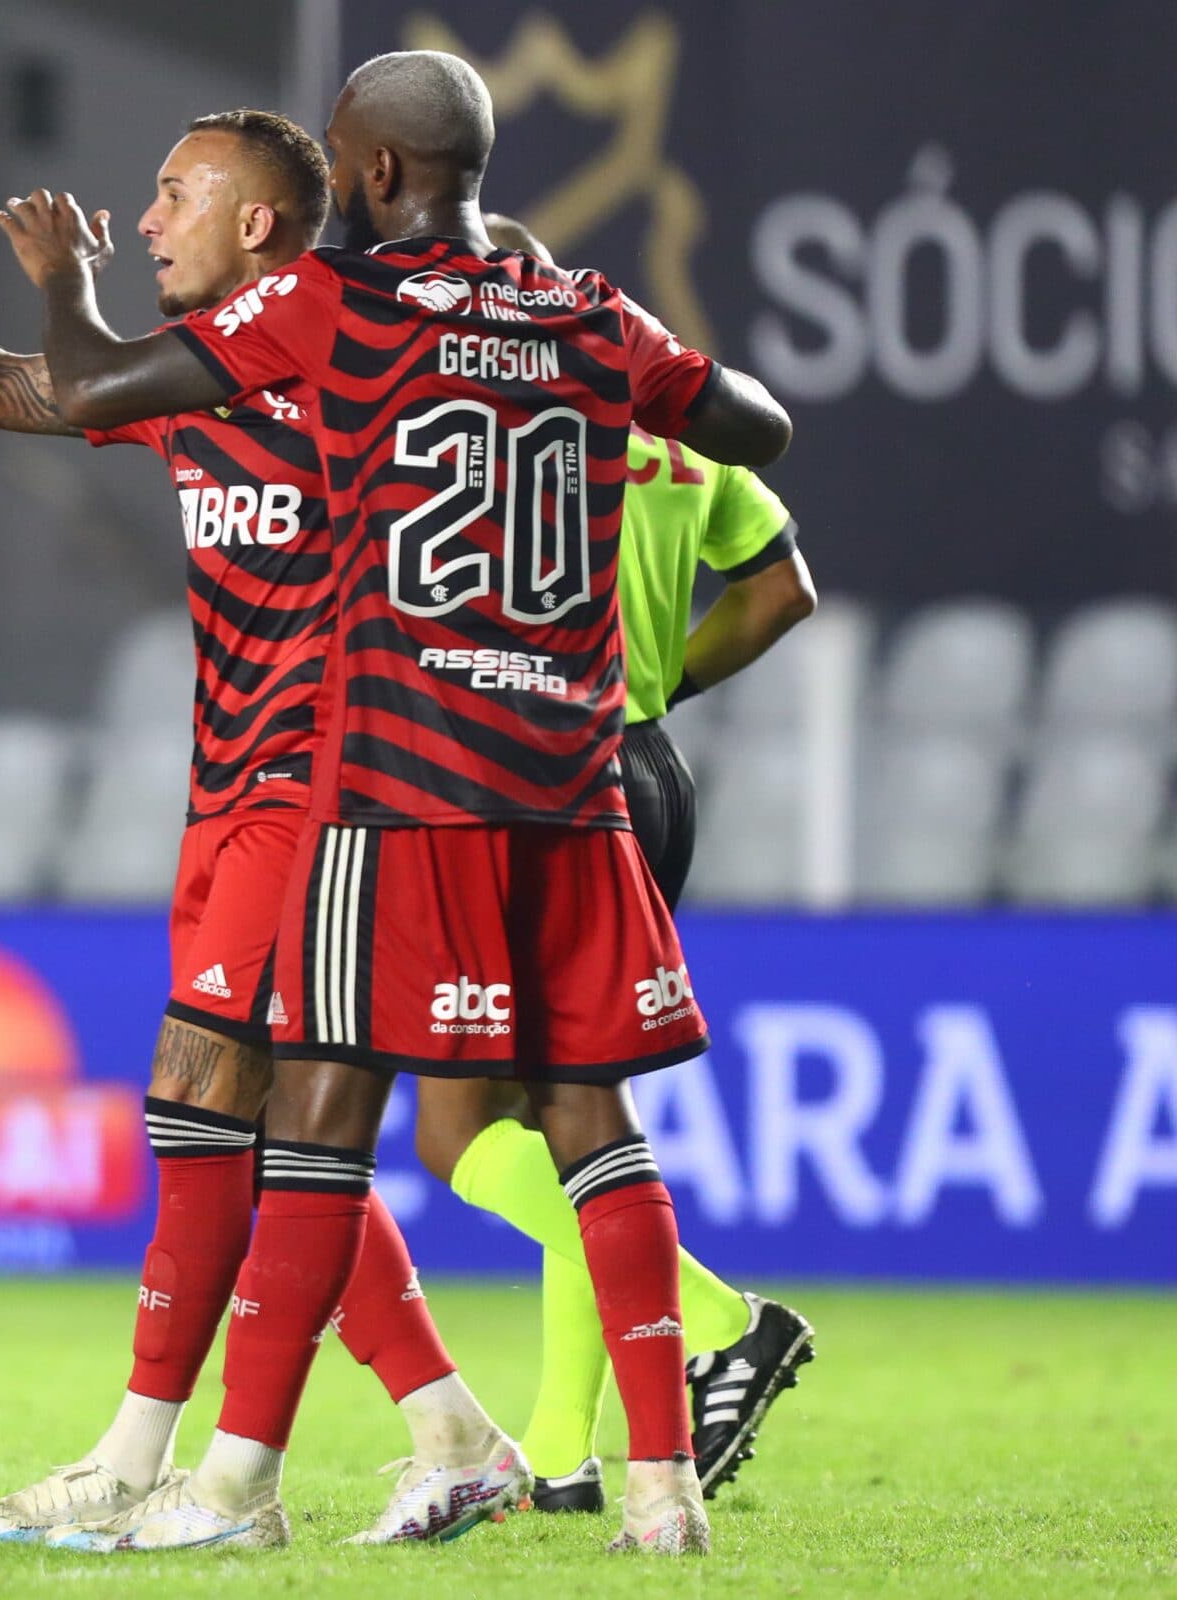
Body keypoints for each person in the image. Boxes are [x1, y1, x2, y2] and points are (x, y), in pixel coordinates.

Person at [0, 49, 791, 1555]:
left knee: (318, 1116)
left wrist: (54, 280)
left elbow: (91, 385)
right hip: (570, 788)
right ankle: (663, 1497)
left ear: (367, 178)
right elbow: (759, 427)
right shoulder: (591, 314)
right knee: (592, 1126)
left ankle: (232, 1488)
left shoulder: (338, 305)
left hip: (399, 786)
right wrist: (651, 383)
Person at [0, 115, 525, 1549]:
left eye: (176, 196)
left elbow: (76, 366)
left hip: (323, 790)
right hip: (228, 791)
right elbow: (4, 389)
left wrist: (56, 280)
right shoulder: (204, 373)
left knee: (203, 1113)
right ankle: (451, 1431)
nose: (145, 216)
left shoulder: (343, 360)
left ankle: (150, 1458)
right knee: (287, 1138)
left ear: (261, 228)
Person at [403, 215, 820, 1515]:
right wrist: (666, 685)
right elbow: (781, 589)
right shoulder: (669, 421)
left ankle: (720, 1318)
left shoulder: (493, 419)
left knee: (460, 1127)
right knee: (569, 1122)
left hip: (533, 780)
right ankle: (564, 1455)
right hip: (642, 770)